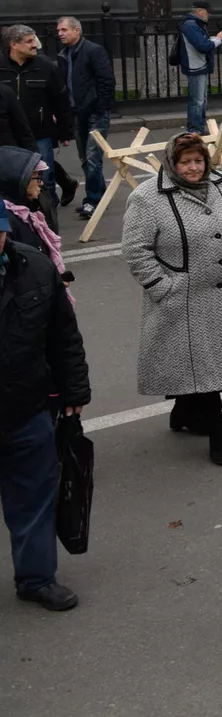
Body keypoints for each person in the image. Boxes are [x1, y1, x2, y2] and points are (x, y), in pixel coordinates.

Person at [121, 133, 222, 466]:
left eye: (198, 161)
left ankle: (183, 412)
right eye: (185, 162)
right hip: (182, 299)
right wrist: (163, 287)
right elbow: (136, 250)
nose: (193, 168)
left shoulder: (221, 184)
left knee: (206, 363)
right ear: (172, 163)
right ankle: (218, 432)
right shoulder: (148, 197)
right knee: (204, 365)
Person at [0, 204, 90, 610]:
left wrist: (74, 391)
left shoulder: (35, 267)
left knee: (34, 498)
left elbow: (63, 335)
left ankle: (37, 579)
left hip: (27, 408)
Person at [0, 26, 73, 212]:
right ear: (14, 45)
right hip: (9, 137)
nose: (35, 45)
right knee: (12, 179)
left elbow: (61, 100)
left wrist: (65, 131)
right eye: (29, 41)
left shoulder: (46, 66)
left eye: (35, 40)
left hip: (40, 133)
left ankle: (48, 217)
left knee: (43, 178)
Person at [54, 18, 114, 217]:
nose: (60, 33)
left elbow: (106, 80)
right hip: (77, 113)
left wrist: (101, 107)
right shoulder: (65, 54)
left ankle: (93, 200)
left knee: (92, 157)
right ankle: (100, 194)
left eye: (64, 30)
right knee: (84, 158)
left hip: (95, 112)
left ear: (77, 30)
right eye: (59, 30)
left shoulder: (93, 51)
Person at [0, 150, 71, 287]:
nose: (41, 183)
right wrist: (52, 284)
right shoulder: (9, 220)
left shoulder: (26, 212)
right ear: (18, 180)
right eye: (37, 177)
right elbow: (18, 274)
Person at [178, 4, 222, 135]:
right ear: (199, 11)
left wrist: (213, 39)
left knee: (201, 100)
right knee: (197, 100)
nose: (209, 15)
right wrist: (218, 40)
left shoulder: (194, 25)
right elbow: (202, 46)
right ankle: (195, 129)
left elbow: (201, 43)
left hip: (199, 65)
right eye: (207, 12)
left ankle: (199, 127)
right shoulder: (191, 26)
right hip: (196, 66)